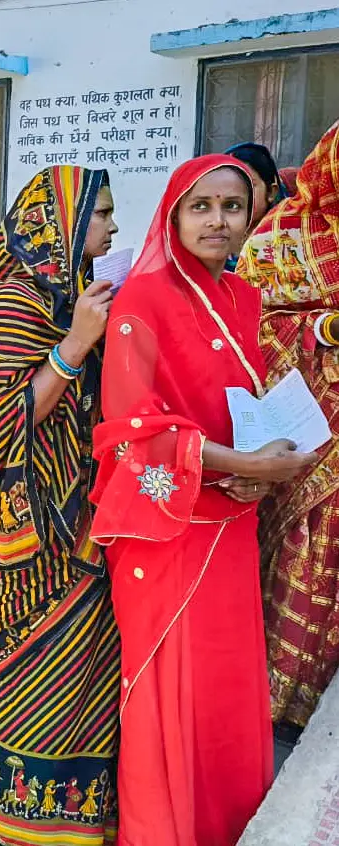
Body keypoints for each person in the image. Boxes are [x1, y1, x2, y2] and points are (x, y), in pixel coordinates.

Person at [91, 155, 317, 846]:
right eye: (202, 206)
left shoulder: (244, 298)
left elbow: (234, 406)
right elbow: (132, 430)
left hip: (230, 517)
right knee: (169, 691)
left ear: (251, 216)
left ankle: (222, 826)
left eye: (233, 206)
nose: (218, 220)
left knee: (222, 686)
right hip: (167, 527)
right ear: (174, 213)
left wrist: (255, 467)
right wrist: (238, 463)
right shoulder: (142, 301)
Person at [0, 166, 122, 846]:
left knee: (85, 668)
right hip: (29, 532)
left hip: (86, 513)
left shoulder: (80, 294)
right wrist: (76, 345)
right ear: (56, 225)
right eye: (102, 214)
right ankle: (3, 816)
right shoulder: (15, 304)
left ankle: (71, 816)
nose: (114, 227)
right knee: (20, 665)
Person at [236, 120, 339, 738]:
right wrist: (323, 333)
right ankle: (280, 695)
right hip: (302, 438)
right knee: (299, 557)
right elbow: (248, 335)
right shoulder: (281, 238)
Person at [226, 142, 290, 232]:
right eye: (227, 187)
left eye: (248, 185)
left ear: (271, 192)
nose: (235, 194)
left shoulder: (287, 236)